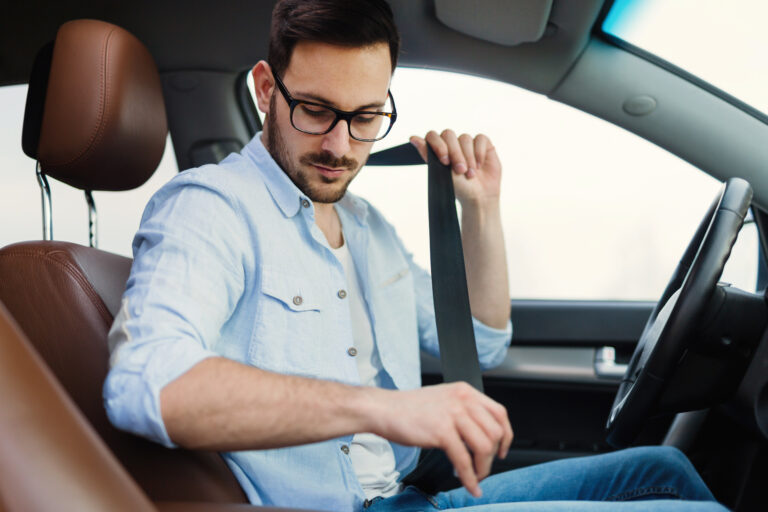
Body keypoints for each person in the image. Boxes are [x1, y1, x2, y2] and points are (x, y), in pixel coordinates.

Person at [103, 1, 728, 511]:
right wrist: (386, 407)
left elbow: (481, 345)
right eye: (316, 111)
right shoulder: (209, 207)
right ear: (267, 89)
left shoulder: (367, 227)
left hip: (408, 499)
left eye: (366, 117)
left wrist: (480, 209)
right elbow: (146, 382)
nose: (340, 145)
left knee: (665, 469)